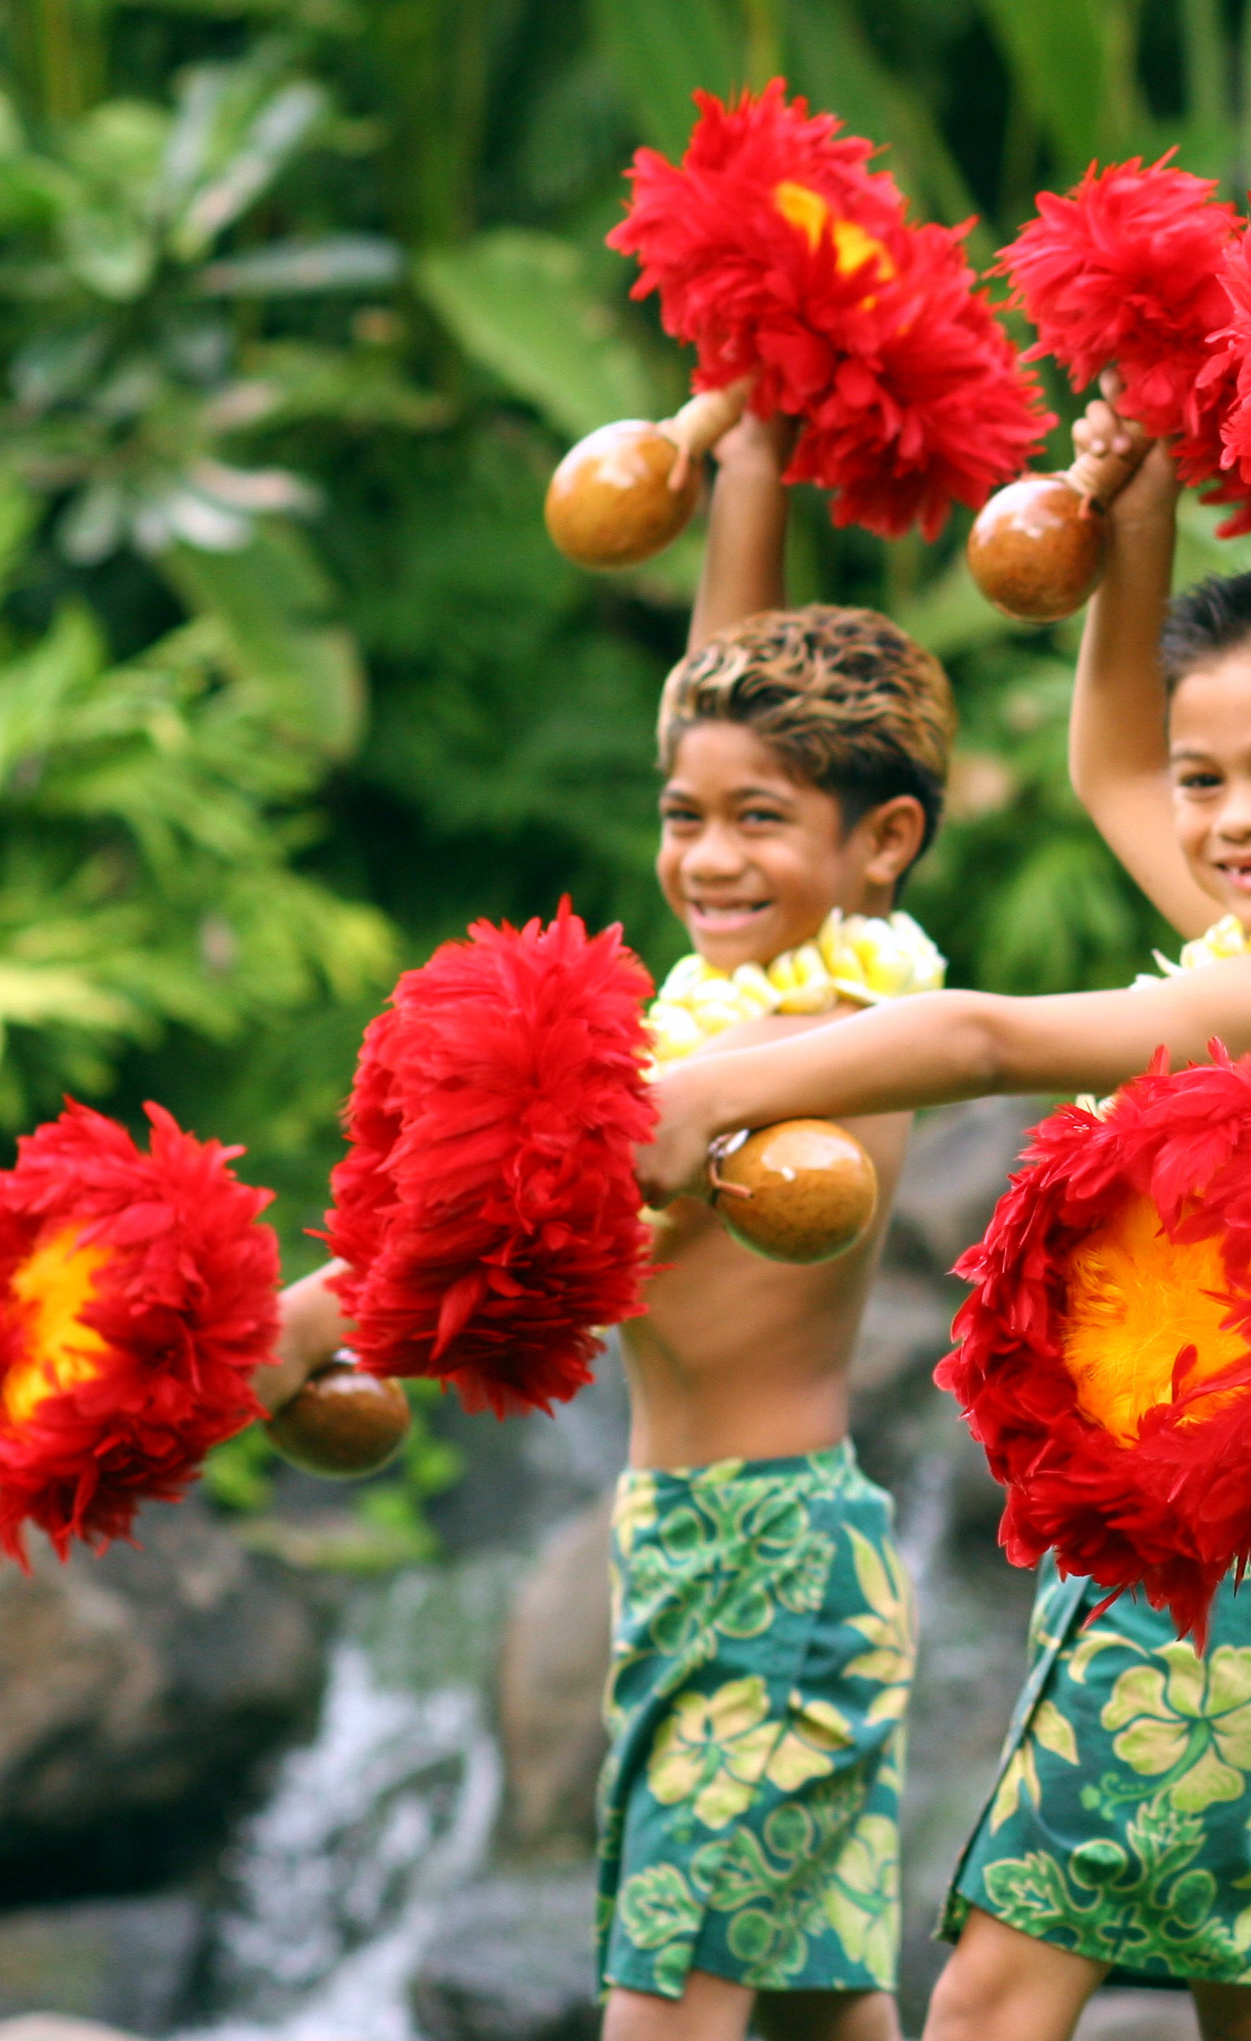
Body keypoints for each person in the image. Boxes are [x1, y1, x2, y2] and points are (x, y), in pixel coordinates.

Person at [637, 412, 1251, 2041]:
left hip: (1197, 1570)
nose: (1232, 821)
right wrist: (1133, 519)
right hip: (1198, 1562)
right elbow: (1107, 766)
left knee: (996, 1991)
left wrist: (710, 1090)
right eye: (1210, 781)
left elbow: (986, 1039)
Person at [260, 415, 951, 2041]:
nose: (707, 857)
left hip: (770, 1562)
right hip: (709, 1551)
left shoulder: (817, 1038)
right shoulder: (741, 986)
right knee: (814, 2015)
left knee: (674, 2013)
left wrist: (288, 1324)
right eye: (681, 812)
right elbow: (730, 681)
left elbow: (529, 1197)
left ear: (885, 846)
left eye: (758, 822)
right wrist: (759, 441)